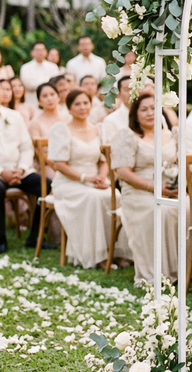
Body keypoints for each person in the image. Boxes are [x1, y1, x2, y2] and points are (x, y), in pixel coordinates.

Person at [111, 93, 192, 283]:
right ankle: (161, 273)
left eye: (153, 108)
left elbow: (182, 164)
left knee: (190, 208)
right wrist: (154, 188)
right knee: (161, 211)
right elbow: (122, 172)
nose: (149, 113)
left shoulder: (173, 134)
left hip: (170, 187)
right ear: (135, 114)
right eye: (143, 109)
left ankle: (185, 269)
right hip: (139, 191)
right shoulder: (127, 136)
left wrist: (177, 185)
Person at [48, 89, 130, 269]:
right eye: (77, 104)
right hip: (69, 182)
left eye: (85, 103)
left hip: (95, 180)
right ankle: (96, 254)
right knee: (93, 199)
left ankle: (117, 252)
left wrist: (101, 177)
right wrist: (86, 178)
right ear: (69, 108)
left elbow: (103, 160)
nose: (82, 107)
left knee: (115, 195)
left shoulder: (97, 128)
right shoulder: (61, 129)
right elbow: (59, 164)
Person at [0, 76, 49, 254]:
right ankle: (0, 239)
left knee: (47, 186)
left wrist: (21, 169)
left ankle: (35, 236)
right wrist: (1, 171)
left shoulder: (14, 116)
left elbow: (26, 147)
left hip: (19, 170)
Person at [100, 75, 132, 144]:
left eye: (134, 88)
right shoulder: (111, 120)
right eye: (127, 90)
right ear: (119, 94)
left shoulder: (152, 115)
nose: (131, 93)